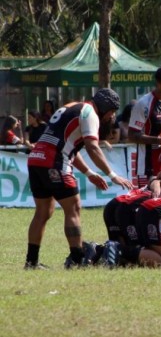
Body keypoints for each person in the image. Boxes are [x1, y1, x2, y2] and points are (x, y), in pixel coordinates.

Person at [24, 88, 134, 269]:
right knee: (73, 207)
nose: (111, 117)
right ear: (105, 108)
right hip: (54, 161)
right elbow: (92, 147)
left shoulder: (74, 106)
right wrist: (112, 175)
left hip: (36, 159)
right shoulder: (90, 114)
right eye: (112, 112)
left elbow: (70, 148)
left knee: (43, 211)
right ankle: (77, 259)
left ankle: (31, 262)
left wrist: (89, 173)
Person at [128, 64, 161, 187]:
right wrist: (158, 140)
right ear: (158, 83)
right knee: (147, 202)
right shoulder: (143, 104)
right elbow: (132, 135)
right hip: (147, 167)